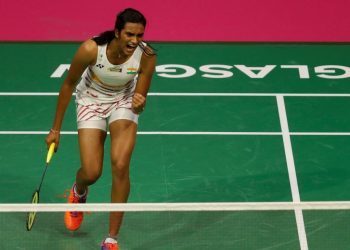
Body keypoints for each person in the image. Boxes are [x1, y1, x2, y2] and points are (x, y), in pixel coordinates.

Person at [45, 8, 156, 250]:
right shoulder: (91, 49)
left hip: (123, 100)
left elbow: (139, 100)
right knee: (92, 171)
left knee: (120, 164)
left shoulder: (146, 55)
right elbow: (67, 85)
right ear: (117, 32)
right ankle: (79, 189)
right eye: (129, 34)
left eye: (139, 35)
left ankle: (111, 238)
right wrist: (55, 129)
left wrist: (140, 102)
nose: (134, 41)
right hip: (90, 100)